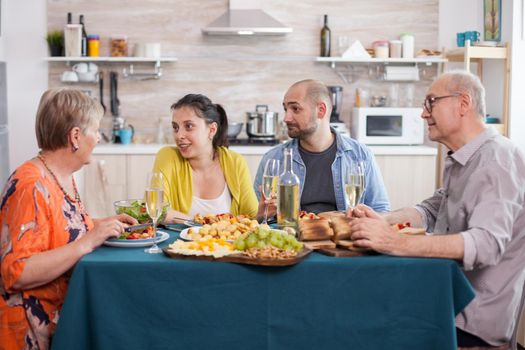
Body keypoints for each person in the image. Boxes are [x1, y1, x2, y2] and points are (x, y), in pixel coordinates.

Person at [348, 70, 525, 349]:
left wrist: (393, 241)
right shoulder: (464, 156)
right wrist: (382, 219)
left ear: (463, 103)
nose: (423, 113)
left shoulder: (497, 161)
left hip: (473, 320)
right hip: (447, 298)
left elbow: (487, 243)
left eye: (431, 102)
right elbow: (434, 209)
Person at [0, 88, 137, 350]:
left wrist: (104, 224)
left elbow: (63, 228)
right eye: (96, 131)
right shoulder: (30, 185)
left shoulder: (60, 175)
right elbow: (16, 273)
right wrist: (87, 242)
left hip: (61, 315)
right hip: (28, 330)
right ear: (75, 136)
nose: (98, 138)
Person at [253, 79, 390, 216]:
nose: (286, 118)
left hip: (345, 236)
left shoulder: (360, 155)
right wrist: (262, 215)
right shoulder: (273, 159)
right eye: (285, 109)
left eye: (295, 109)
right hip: (292, 235)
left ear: (321, 111)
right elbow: (255, 219)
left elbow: (381, 210)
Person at [152, 94, 258, 221]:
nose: (179, 135)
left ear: (212, 130)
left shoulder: (235, 162)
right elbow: (157, 210)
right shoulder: (168, 156)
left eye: (189, 126)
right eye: (175, 127)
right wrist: (205, 226)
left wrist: (265, 212)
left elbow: (252, 216)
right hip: (179, 241)